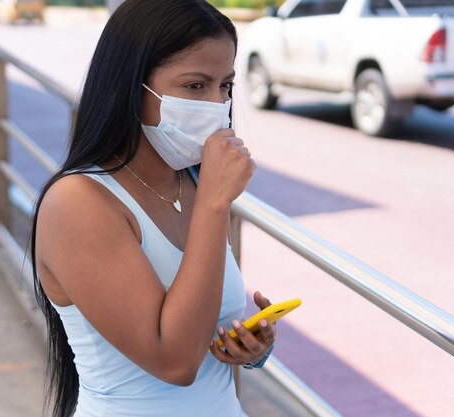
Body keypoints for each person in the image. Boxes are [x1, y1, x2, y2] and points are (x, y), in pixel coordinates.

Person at [29, 1, 277, 416]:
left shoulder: (194, 180)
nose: (217, 104)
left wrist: (248, 349)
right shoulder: (77, 203)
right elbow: (175, 361)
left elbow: (199, 333)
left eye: (226, 86)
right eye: (195, 86)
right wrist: (215, 204)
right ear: (131, 86)